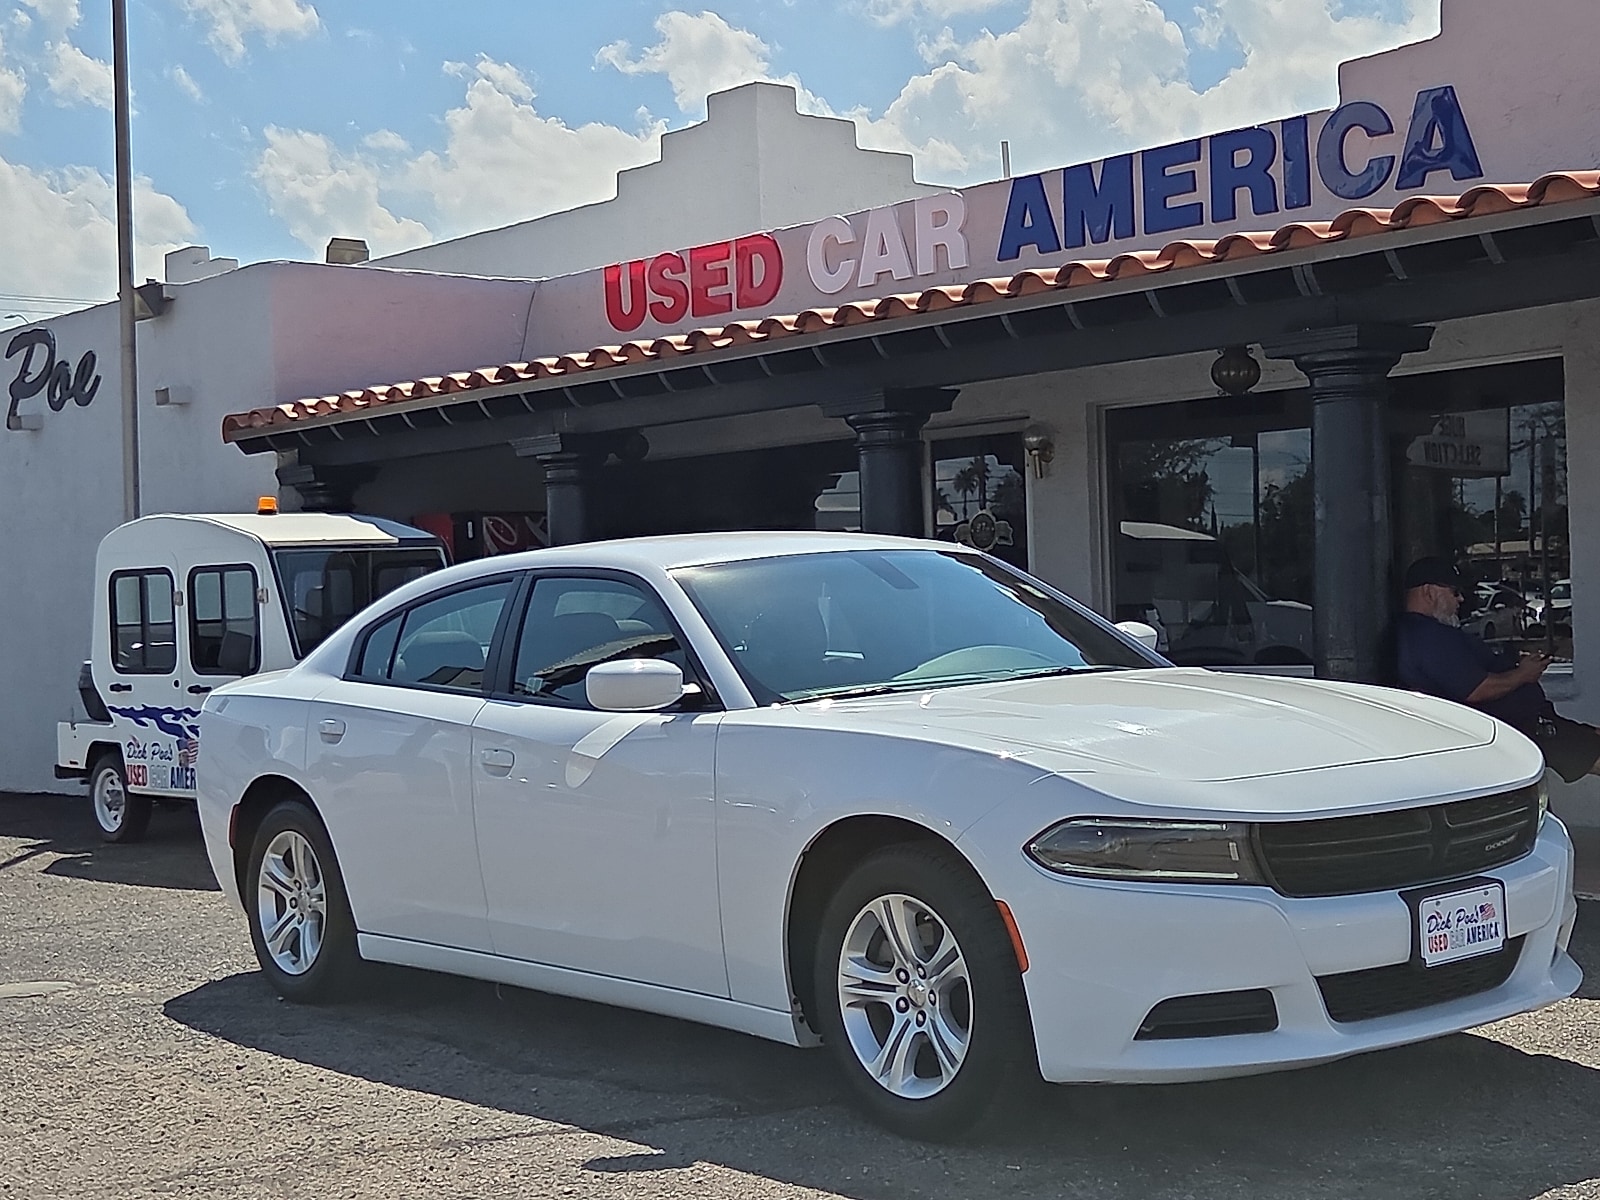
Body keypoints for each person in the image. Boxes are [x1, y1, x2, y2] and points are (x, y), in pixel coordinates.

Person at [1394, 556, 1600, 783]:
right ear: (1429, 592)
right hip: (1517, 732)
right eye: (1454, 592)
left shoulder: (1431, 633)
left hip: (1530, 724)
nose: (1461, 599)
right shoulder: (1427, 636)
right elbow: (1476, 689)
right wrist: (1523, 674)